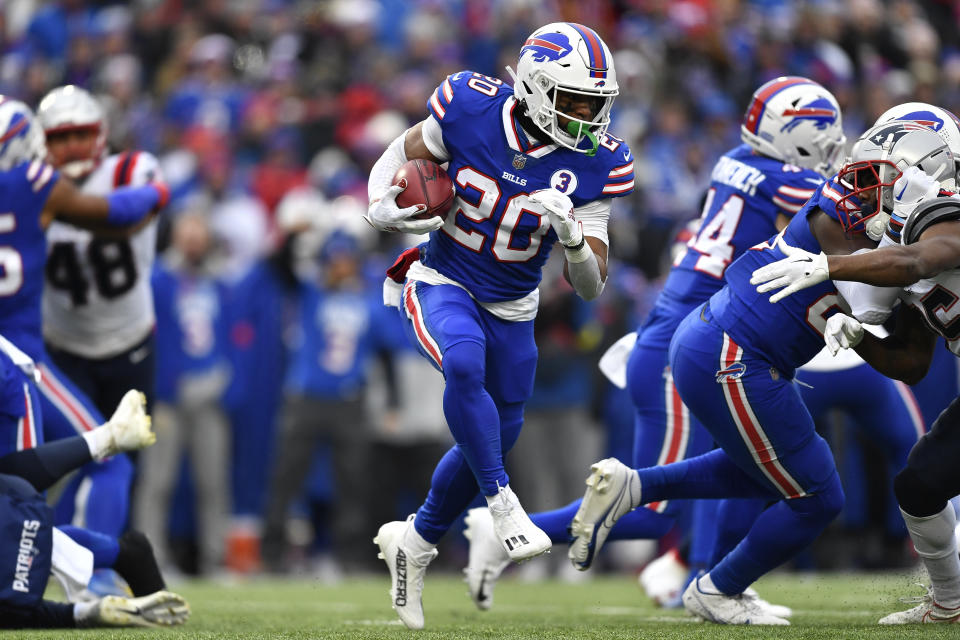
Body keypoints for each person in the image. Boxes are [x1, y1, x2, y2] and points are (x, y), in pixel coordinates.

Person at [463, 75, 847, 611]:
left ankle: (711, 577)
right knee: (652, 508)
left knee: (740, 466)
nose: (832, 150)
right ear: (795, 135)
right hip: (690, 345)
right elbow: (851, 213)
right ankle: (512, 534)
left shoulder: (737, 160)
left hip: (695, 337)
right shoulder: (783, 181)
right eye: (824, 137)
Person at [567, 120, 956, 625]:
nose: (868, 179)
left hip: (729, 347)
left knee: (764, 473)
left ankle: (635, 488)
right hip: (734, 352)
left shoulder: (900, 227)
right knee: (818, 497)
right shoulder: (850, 214)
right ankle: (716, 588)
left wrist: (863, 340)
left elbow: (910, 356)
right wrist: (855, 272)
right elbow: (899, 265)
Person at [364, 22, 633, 629]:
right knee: (463, 364)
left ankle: (417, 537)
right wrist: (380, 203)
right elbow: (406, 149)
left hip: (514, 305)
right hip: (443, 280)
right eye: (579, 101)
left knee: (499, 428)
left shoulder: (599, 162)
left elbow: (590, 286)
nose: (591, 117)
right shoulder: (468, 105)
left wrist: (573, 241)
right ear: (536, 88)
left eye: (599, 103)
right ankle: (502, 502)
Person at [749, 170, 960, 624]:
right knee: (919, 486)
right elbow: (911, 365)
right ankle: (950, 604)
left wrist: (828, 266)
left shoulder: (946, 215)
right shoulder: (897, 254)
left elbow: (919, 261)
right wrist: (860, 336)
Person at [0, 97, 166, 538]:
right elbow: (120, 216)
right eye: (59, 137)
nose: (72, 147)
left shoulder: (124, 168)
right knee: (100, 457)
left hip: (123, 339)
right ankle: (93, 571)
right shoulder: (39, 184)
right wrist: (158, 194)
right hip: (39, 354)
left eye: (81, 135)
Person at [0, 334, 188, 629]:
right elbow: (11, 611)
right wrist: (88, 614)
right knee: (15, 543)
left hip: (11, 377)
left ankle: (105, 441)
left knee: (15, 514)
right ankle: (122, 554)